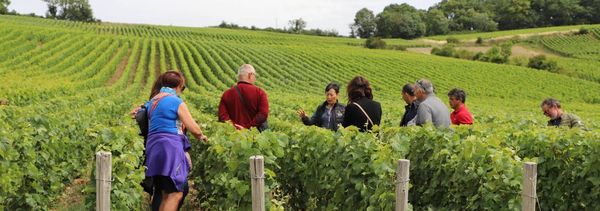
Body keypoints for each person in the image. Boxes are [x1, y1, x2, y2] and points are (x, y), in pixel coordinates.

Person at [142, 71, 207, 211]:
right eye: (182, 88)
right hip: (170, 148)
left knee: (165, 192)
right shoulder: (175, 100)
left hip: (153, 147)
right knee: (175, 193)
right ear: (179, 86)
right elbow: (193, 128)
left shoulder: (153, 100)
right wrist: (201, 135)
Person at [218, 64, 269, 131]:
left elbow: (222, 117)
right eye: (254, 76)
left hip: (233, 136)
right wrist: (248, 127)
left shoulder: (226, 94)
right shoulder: (260, 92)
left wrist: (235, 128)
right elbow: (263, 115)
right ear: (250, 75)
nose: (255, 78)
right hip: (255, 136)